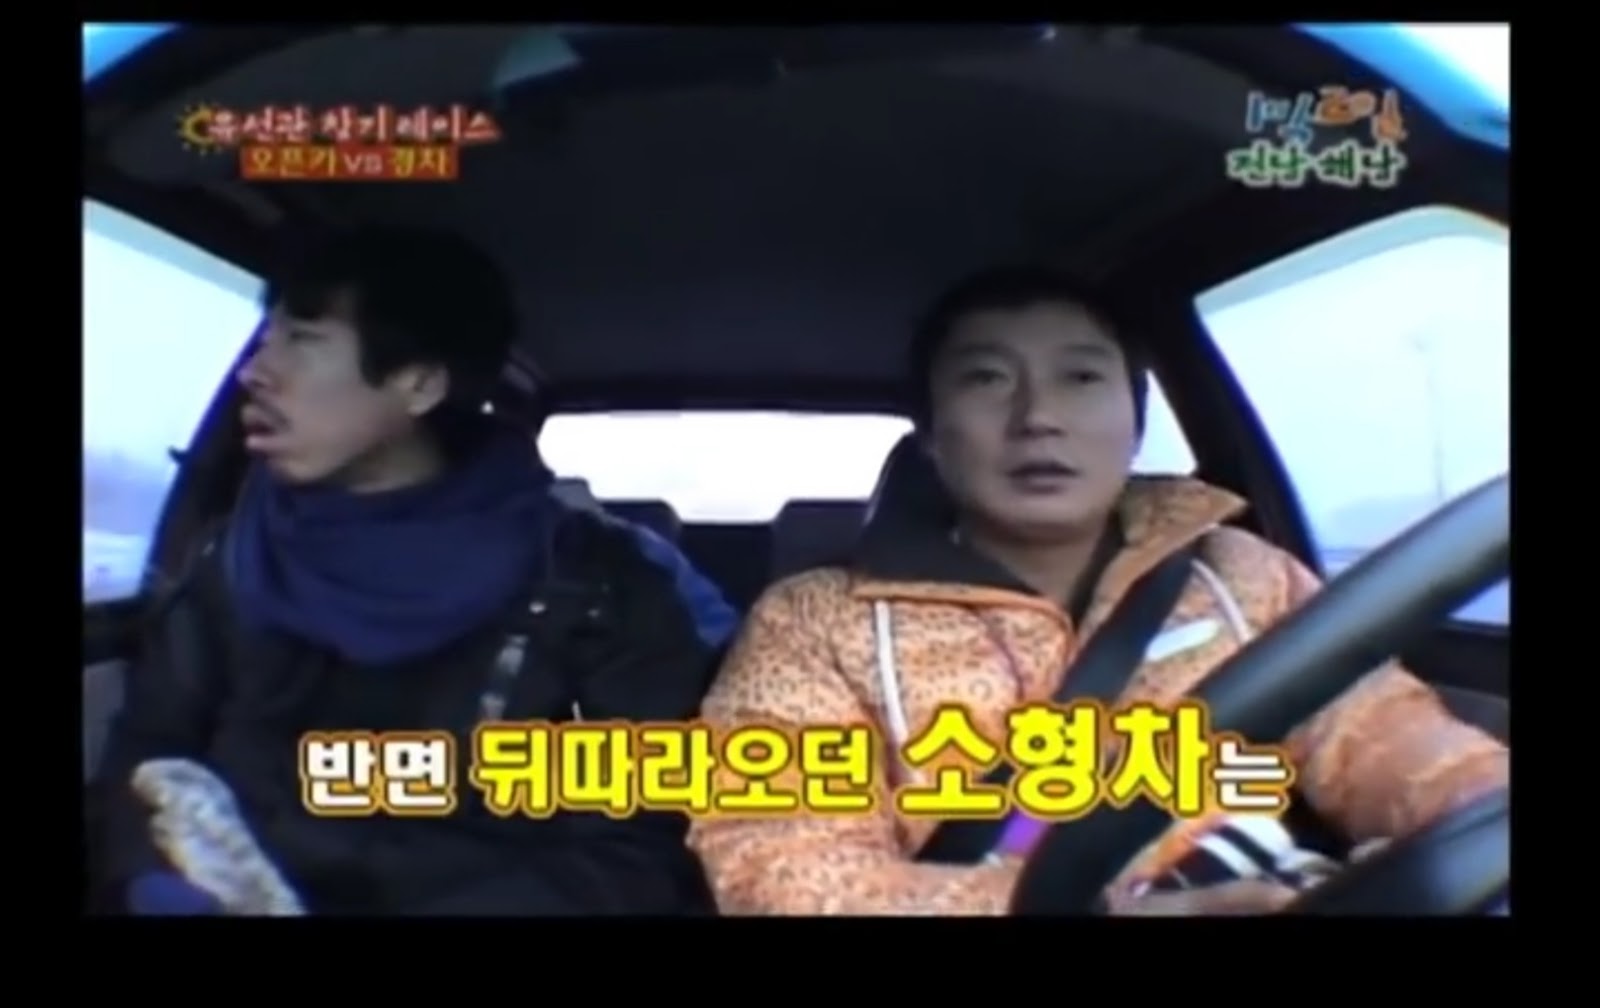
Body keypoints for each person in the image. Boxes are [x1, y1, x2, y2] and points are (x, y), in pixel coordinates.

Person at [687, 265, 1509, 916]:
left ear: (1135, 421)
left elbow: (1382, 736)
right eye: (986, 379)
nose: (1038, 416)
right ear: (931, 437)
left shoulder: (1240, 573)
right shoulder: (813, 622)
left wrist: (1470, 827)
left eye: (1081, 377)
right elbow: (783, 871)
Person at [95, 224, 732, 915]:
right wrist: (157, 882)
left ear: (419, 384)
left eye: (302, 339)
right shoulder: (233, 559)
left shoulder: (602, 587)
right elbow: (151, 748)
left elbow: (638, 847)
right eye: (265, 336)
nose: (254, 370)